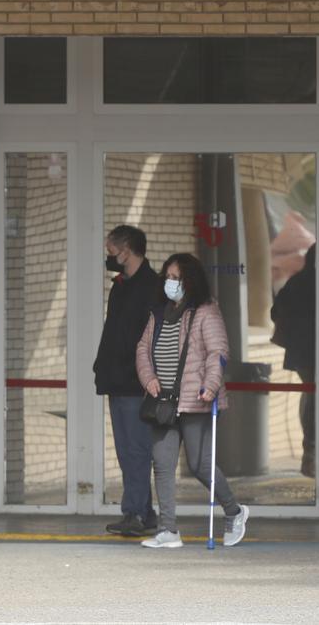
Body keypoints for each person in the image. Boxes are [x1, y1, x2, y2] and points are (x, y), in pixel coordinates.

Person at [135, 253, 249, 548]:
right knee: (162, 464)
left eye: (177, 278)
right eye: (168, 278)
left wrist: (211, 385)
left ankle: (234, 512)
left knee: (200, 466)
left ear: (191, 281)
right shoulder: (158, 312)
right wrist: (149, 380)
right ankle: (168, 530)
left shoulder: (205, 311)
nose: (171, 283)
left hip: (196, 399)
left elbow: (218, 351)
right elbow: (142, 350)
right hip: (163, 400)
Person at [94, 225, 162, 537]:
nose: (109, 257)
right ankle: (144, 513)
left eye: (112, 251)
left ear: (127, 250)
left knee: (136, 450)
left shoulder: (151, 288)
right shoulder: (120, 286)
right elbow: (114, 333)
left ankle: (134, 512)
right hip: (117, 379)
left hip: (136, 382)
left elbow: (149, 340)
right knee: (126, 450)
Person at [271, 243, 316, 477]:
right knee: (314, 396)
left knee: (310, 393)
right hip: (312, 351)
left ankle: (310, 450)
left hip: (301, 353)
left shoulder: (297, 282)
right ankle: (312, 450)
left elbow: (274, 311)